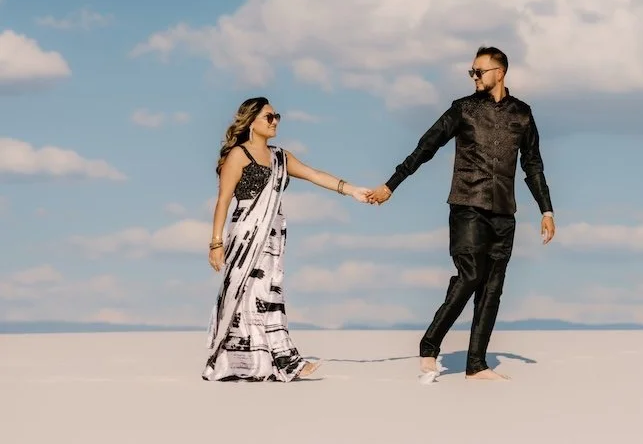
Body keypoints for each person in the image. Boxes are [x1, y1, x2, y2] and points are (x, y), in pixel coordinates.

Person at [366, 46, 556, 382]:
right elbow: (426, 146)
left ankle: (477, 364)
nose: (474, 77)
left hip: (504, 212)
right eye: (471, 72)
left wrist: (547, 209)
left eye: (478, 71)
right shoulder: (463, 109)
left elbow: (533, 164)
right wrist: (391, 184)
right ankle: (429, 345)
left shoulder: (523, 114)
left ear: (500, 72)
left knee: (492, 287)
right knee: (470, 274)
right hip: (467, 205)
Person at [203, 96, 372, 382]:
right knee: (248, 296)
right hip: (246, 235)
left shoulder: (281, 156)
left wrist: (351, 190)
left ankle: (273, 361)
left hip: (273, 236)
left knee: (269, 294)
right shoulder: (238, 155)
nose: (275, 121)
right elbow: (223, 201)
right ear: (251, 123)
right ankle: (252, 361)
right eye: (268, 117)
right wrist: (216, 243)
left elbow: (313, 174)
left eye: (276, 116)